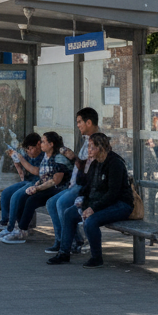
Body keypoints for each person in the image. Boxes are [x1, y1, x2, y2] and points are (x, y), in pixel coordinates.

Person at [48, 133, 134, 267]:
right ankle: (64, 253)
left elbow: (113, 193)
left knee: (91, 221)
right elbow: (84, 184)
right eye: (89, 147)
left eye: (92, 147)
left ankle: (96, 257)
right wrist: (85, 168)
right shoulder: (94, 162)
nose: (89, 150)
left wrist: (93, 208)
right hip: (98, 202)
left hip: (120, 204)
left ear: (100, 148)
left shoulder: (115, 163)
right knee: (69, 214)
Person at [44, 108, 104, 254]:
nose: (78, 125)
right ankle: (62, 240)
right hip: (75, 184)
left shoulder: (98, 141)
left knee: (61, 203)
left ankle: (69, 243)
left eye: (79, 122)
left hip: (85, 186)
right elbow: (83, 163)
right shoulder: (87, 140)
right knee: (51, 203)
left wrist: (73, 157)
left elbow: (90, 167)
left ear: (88, 122)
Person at [0, 131, 71, 244]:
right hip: (46, 185)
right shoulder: (47, 156)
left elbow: (55, 181)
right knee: (28, 198)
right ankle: (20, 229)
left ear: (51, 144)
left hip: (59, 188)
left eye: (43, 142)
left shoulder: (59, 158)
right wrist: (37, 185)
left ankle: (62, 240)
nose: (41, 144)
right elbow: (43, 175)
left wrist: (37, 187)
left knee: (36, 200)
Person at [0, 133, 43, 234]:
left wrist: (21, 159)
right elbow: (22, 175)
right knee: (6, 193)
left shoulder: (44, 155)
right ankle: (4, 222)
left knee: (16, 196)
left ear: (39, 144)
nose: (29, 152)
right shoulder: (27, 155)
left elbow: (36, 171)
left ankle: (10, 227)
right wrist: (16, 163)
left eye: (30, 149)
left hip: (39, 183)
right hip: (27, 181)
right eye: (27, 150)